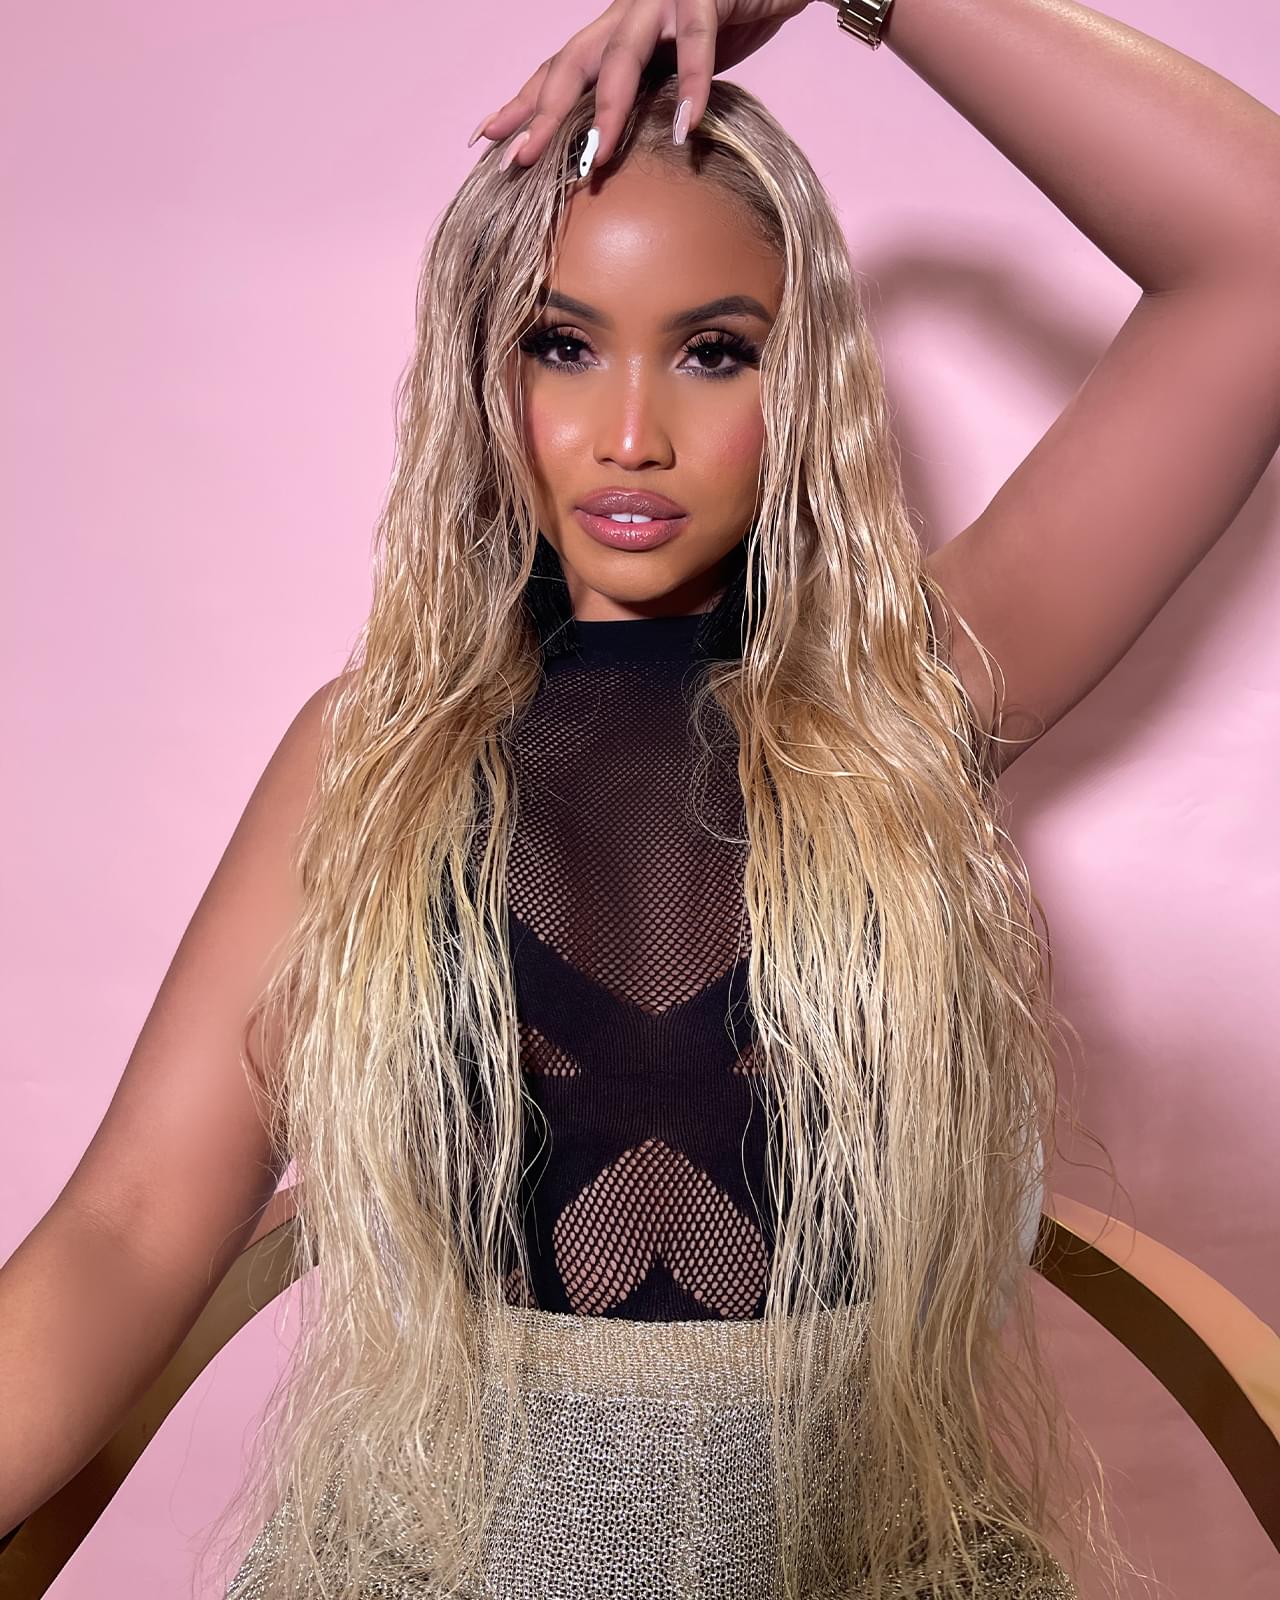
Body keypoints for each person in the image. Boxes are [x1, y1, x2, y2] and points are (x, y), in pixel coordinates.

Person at [2, 1, 1277, 1596]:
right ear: (485, 370)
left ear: (803, 381)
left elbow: (1259, 251)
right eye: (563, 344)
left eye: (713, 351)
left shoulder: (907, 704)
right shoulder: (369, 765)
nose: (629, 436)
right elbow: (127, 1229)